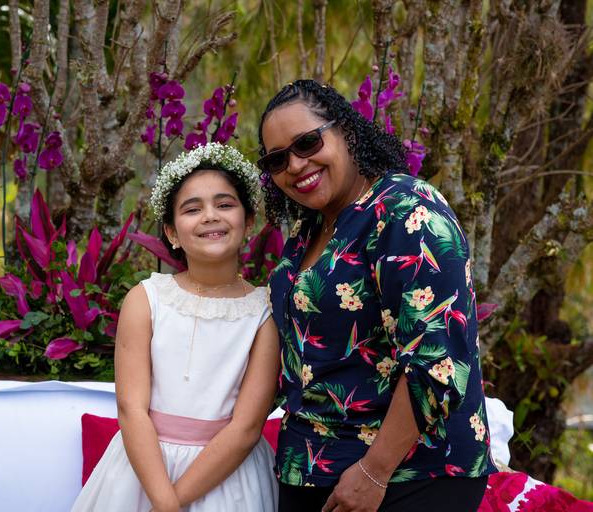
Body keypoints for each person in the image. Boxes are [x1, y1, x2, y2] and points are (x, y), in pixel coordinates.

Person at [257, 80, 497, 512]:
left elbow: (436, 362)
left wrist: (374, 471)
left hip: (407, 477)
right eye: (277, 159)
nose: (294, 165)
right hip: (311, 468)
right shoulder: (310, 229)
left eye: (307, 143)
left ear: (347, 131)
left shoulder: (407, 210)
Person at [70, 143, 280, 512]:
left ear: (248, 221)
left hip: (228, 476)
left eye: (225, 204)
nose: (210, 216)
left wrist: (173, 502)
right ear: (171, 232)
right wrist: (162, 499)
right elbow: (131, 408)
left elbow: (246, 428)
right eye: (192, 209)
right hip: (144, 471)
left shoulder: (264, 312)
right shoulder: (146, 299)